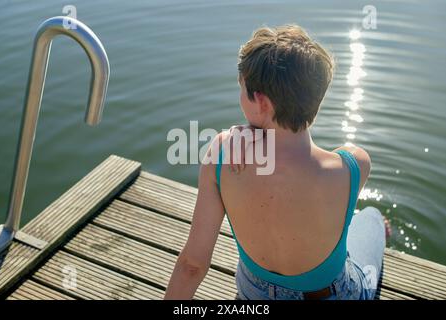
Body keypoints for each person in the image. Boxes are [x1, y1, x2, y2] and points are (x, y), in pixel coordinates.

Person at [164, 24, 389, 300]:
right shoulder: (353, 167)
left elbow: (192, 266)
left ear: (261, 101)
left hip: (253, 295)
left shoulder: (222, 153)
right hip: (329, 294)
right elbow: (350, 151)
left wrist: (240, 133)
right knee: (371, 219)